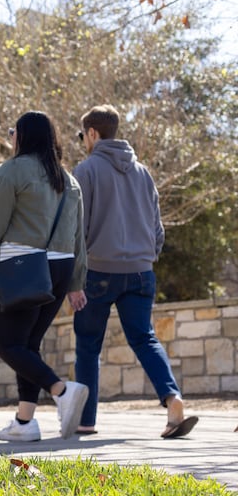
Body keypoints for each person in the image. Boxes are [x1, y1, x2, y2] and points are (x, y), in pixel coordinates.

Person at [71, 104, 198, 438]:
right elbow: (157, 228)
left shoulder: (85, 171)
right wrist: (146, 257)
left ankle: (86, 421)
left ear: (93, 133)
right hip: (142, 272)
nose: (83, 141)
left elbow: (77, 229)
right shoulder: (143, 173)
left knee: (88, 344)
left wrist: (75, 274)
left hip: (98, 271)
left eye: (83, 135)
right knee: (144, 338)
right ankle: (172, 399)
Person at [0, 110, 89, 441]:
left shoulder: (9, 173)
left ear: (23, 136)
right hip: (61, 268)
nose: (11, 137)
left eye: (13, 132)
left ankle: (61, 390)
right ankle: (24, 423)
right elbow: (79, 239)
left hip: (20, 267)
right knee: (27, 345)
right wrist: (76, 283)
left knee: (8, 344)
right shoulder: (70, 181)